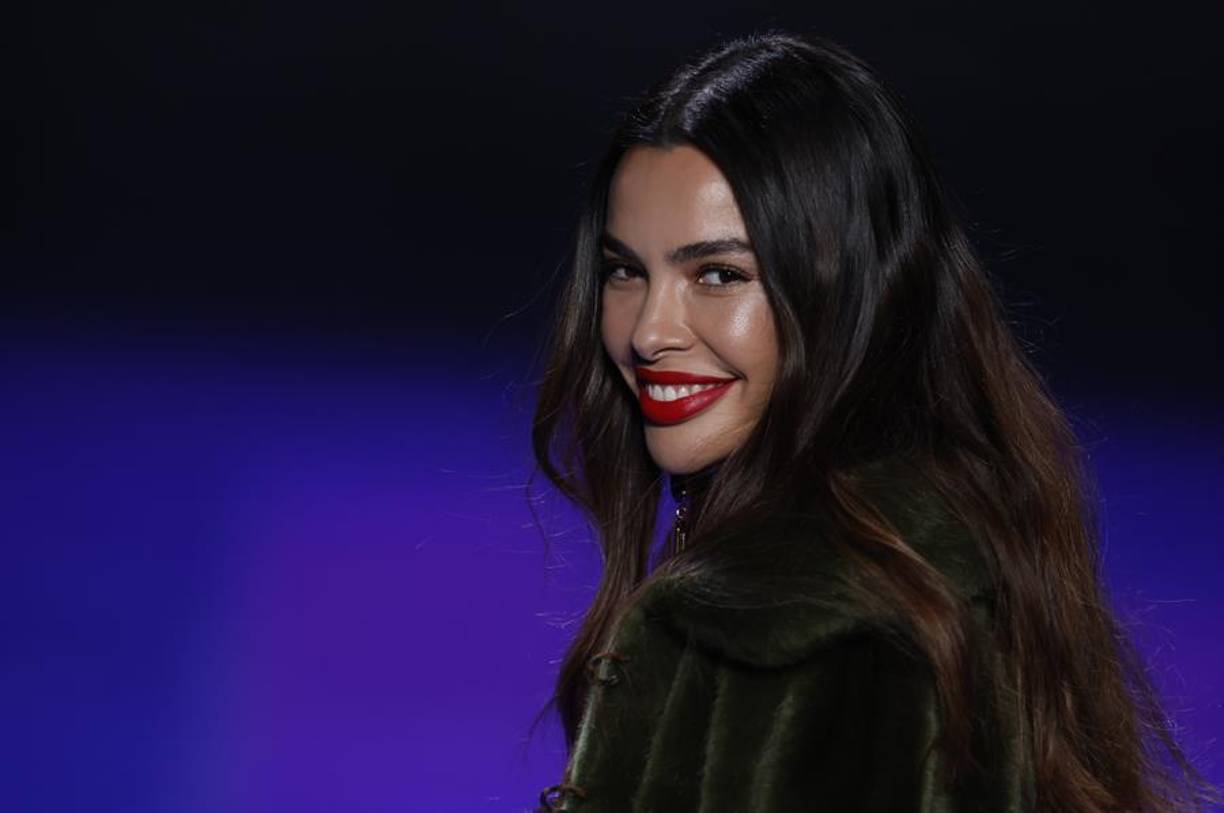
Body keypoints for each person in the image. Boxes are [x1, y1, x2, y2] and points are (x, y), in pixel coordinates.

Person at [528, 31, 1214, 812]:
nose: (649, 331)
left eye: (718, 274)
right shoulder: (944, 546)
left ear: (851, 294)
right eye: (626, 270)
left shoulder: (801, 629)